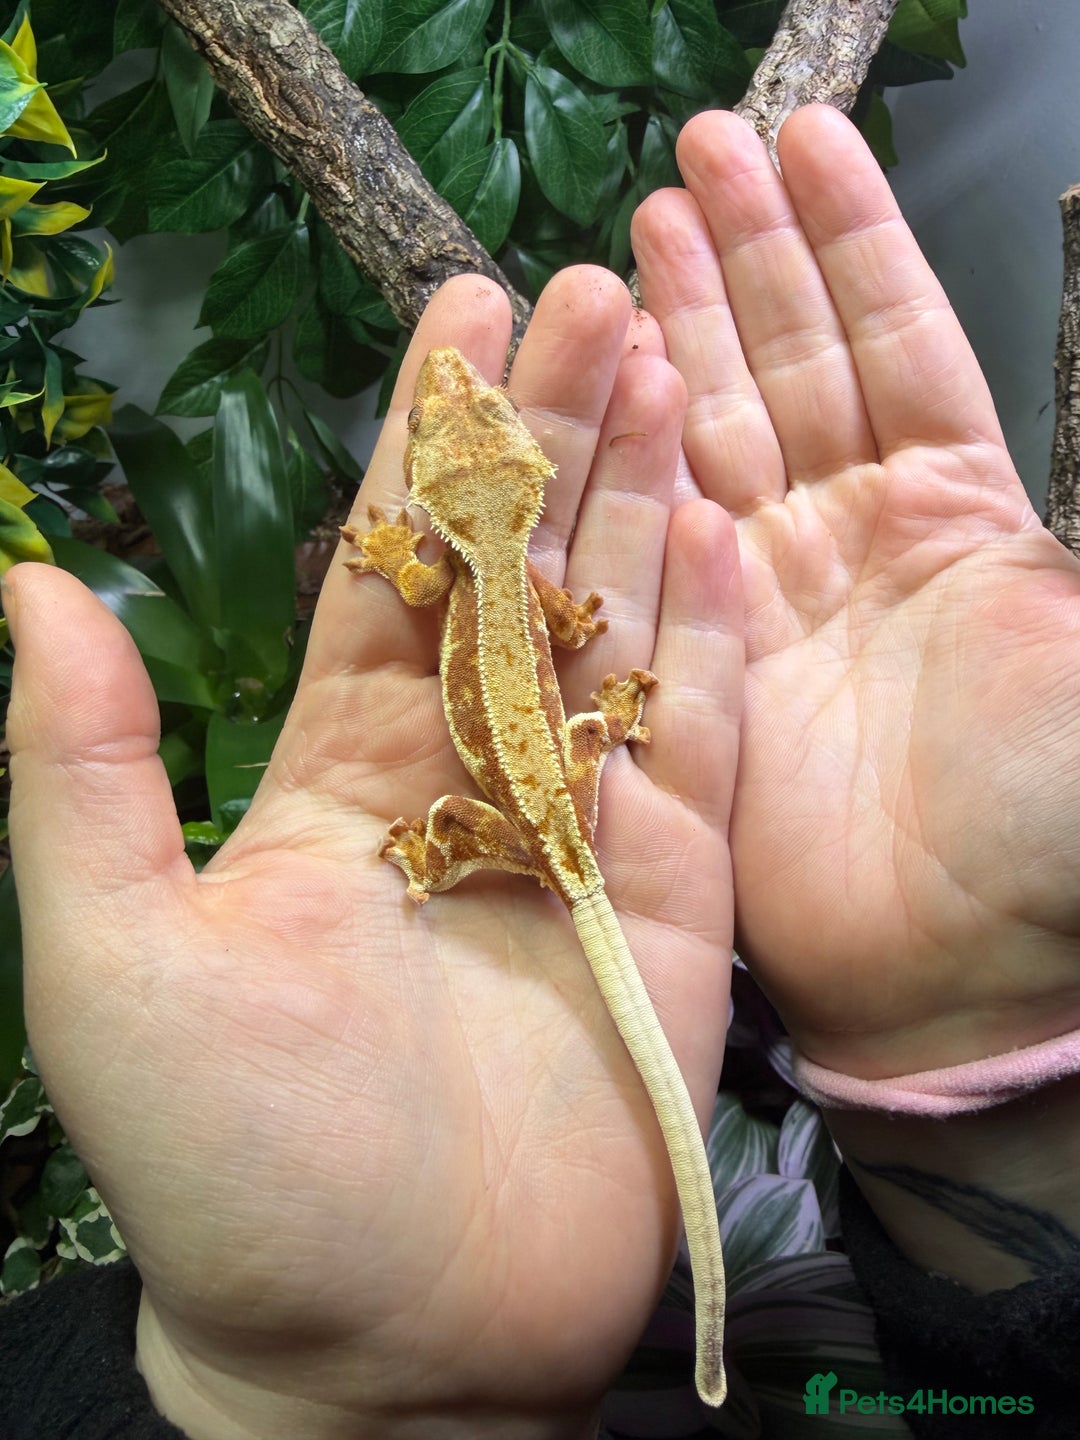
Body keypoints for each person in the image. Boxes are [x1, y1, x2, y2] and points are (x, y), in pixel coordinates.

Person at [0, 104, 1076, 1438]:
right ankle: (550, 773)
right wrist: (603, 706)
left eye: (473, 426)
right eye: (457, 426)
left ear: (475, 497)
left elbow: (422, 580)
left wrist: (393, 574)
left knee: (459, 820)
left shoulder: (446, 571)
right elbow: (563, 626)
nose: (459, 404)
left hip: (527, 821)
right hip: (561, 786)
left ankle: (450, 846)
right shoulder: (503, 571)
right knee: (554, 756)